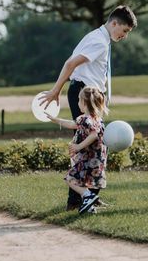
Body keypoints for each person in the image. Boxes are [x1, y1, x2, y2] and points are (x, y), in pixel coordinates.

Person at [40, 5, 137, 210]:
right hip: (84, 94)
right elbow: (70, 64)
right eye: (125, 31)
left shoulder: (99, 38)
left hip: (91, 94)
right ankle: (77, 200)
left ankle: (90, 195)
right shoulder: (99, 42)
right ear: (114, 23)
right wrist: (55, 90)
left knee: (95, 144)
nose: (125, 36)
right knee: (88, 142)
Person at [46, 86, 108, 214]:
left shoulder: (87, 120)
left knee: (70, 179)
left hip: (89, 159)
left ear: (84, 103)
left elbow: (94, 134)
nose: (77, 103)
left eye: (79, 100)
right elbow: (70, 124)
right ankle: (89, 207)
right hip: (96, 159)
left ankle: (88, 196)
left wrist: (78, 147)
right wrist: (54, 119)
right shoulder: (95, 119)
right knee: (84, 182)